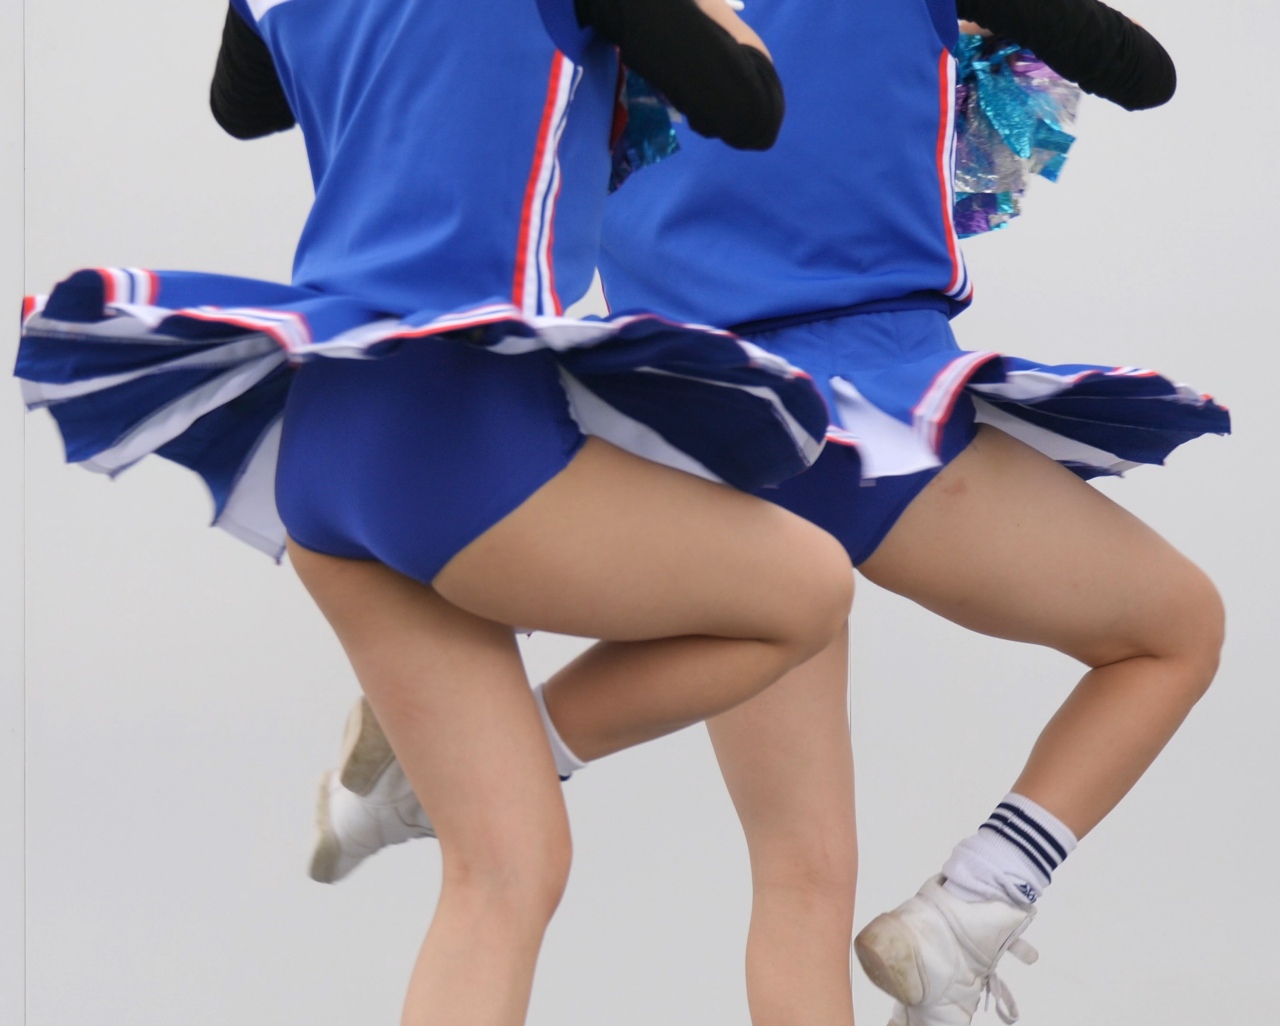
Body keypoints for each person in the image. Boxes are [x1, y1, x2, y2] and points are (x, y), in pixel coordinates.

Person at [218, 1, 1225, 1024]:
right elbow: (1140, 72)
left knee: (798, 873)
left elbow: (248, 105)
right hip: (871, 411)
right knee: (1177, 630)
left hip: (688, 419)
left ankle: (447, 762)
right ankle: (979, 898)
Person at [14, 4, 860, 1026]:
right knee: (807, 591)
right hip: (463, 434)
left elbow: (240, 105)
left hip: (326, 436)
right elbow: (747, 101)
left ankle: (462, 772)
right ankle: (512, 750)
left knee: (506, 869)